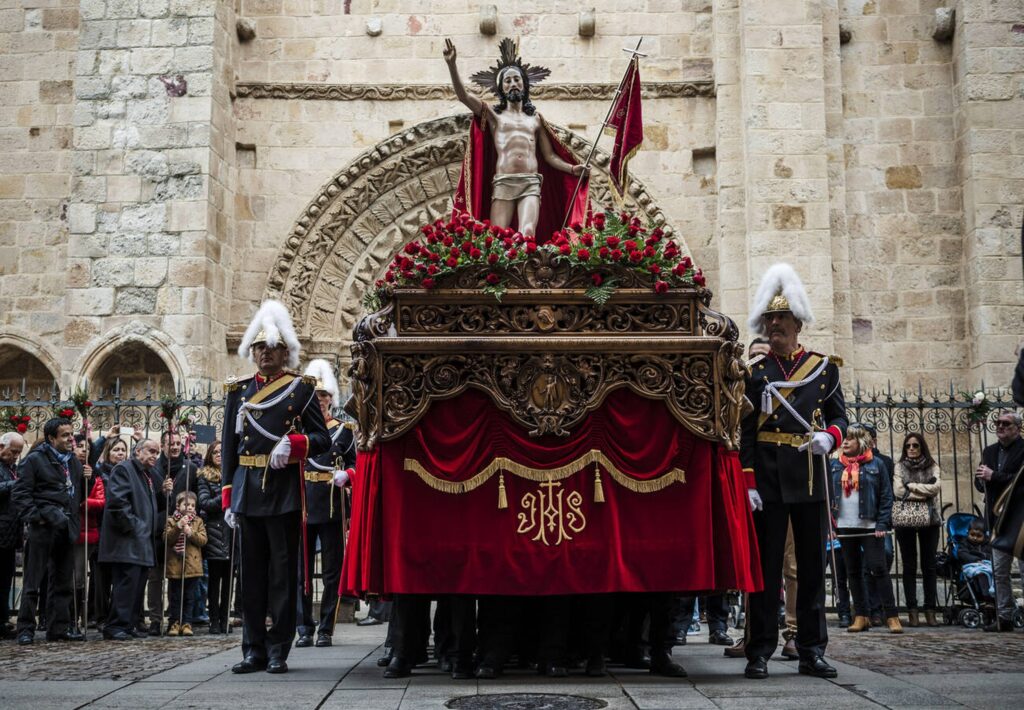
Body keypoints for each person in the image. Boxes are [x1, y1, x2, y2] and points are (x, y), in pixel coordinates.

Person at [740, 263, 846, 680]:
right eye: (770, 318)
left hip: (808, 474)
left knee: (811, 570)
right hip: (767, 478)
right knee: (765, 572)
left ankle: (811, 649)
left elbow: (840, 418)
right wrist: (748, 482)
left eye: (782, 318)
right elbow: (745, 433)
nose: (775, 324)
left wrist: (831, 439)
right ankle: (760, 648)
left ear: (798, 322)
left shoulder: (824, 369)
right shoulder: (756, 373)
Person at [223, 299, 330, 674]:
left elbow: (323, 439)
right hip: (248, 489)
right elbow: (229, 448)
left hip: (283, 490)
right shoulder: (237, 391)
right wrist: (227, 497)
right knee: (250, 575)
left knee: (282, 575)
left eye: (273, 347)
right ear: (251, 350)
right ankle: (252, 647)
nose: (265, 353)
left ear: (286, 351)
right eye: (259, 347)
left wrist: (296, 445)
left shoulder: (301, 390)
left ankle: (278, 648)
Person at [443, 37, 588, 240]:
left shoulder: (535, 120)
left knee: (527, 233)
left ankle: (526, 271)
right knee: (497, 237)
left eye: (516, 80)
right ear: (501, 88)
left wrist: (572, 169)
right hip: (503, 182)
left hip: (530, 182)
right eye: (507, 81)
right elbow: (463, 97)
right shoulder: (495, 117)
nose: (513, 84)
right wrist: (452, 65)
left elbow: (549, 156)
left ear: (524, 84)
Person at [296, 359, 356, 649]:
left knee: (332, 571)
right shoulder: (300, 432)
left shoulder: (343, 431)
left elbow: (357, 465)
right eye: (315, 397)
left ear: (331, 399)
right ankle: (303, 626)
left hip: (332, 503)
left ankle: (326, 628)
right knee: (302, 571)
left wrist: (348, 474)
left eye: (323, 396)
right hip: (305, 503)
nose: (319, 401)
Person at [13, 417, 86, 644]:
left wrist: (88, 480)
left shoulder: (73, 462)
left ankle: (58, 628)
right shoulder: (34, 460)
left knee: (63, 582)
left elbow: (77, 494)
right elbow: (21, 494)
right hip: (43, 527)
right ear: (52, 438)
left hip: (65, 527)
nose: (70, 439)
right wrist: (37, 517)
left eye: (71, 434)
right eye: (65, 435)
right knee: (33, 581)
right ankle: (25, 628)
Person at [829, 424, 901, 634]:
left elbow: (887, 497)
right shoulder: (835, 465)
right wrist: (830, 525)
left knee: (878, 569)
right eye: (844, 439)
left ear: (860, 442)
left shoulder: (876, 465)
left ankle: (892, 615)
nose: (845, 442)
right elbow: (828, 497)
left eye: (850, 439)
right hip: (844, 525)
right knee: (853, 572)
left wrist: (882, 523)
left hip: (870, 526)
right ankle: (861, 615)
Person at [100, 439, 161, 640]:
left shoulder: (147, 474)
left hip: (141, 542)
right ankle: (115, 625)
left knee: (136, 586)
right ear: (137, 451)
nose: (155, 455)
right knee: (125, 585)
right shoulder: (124, 470)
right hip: (127, 541)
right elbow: (118, 505)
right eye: (151, 451)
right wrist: (138, 528)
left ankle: (128, 624)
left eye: (157, 452)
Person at [975, 411, 1024, 632]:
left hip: (1020, 519)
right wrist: (981, 479)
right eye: (998, 423)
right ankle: (1003, 616)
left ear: (1017, 428)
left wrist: (993, 476)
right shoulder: (989, 451)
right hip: (997, 519)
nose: (1001, 427)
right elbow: (982, 482)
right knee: (999, 570)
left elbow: (1019, 481)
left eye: (1006, 423)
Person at [892, 433, 942, 627]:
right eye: (908, 446)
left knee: (929, 565)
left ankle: (930, 610)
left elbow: (936, 488)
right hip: (905, 520)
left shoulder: (932, 465)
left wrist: (911, 486)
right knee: (909, 565)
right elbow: (898, 491)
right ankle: (912, 610)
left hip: (930, 520)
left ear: (922, 447)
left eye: (916, 445)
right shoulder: (899, 466)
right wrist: (923, 489)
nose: (911, 449)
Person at [197, 440, 231, 634]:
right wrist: (225, 497)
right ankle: (214, 619)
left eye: (222, 452)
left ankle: (225, 618)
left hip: (230, 531)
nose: (219, 455)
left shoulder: (231, 475)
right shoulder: (205, 476)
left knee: (228, 581)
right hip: (214, 530)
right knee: (214, 580)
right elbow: (204, 503)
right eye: (215, 452)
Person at [164, 491, 207, 637]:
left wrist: (190, 532)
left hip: (192, 566)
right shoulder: (171, 520)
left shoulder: (198, 521)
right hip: (175, 565)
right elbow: (167, 539)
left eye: (192, 505)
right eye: (186, 504)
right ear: (178, 505)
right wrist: (178, 527)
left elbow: (203, 540)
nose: (189, 508)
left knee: (190, 597)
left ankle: (187, 622)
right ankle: (174, 622)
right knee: (175, 597)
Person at [0, 432, 25, 639]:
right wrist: (15, 484)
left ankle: (3, 621)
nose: (16, 455)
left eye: (18, 452)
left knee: (5, 581)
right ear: (2, 447)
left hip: (9, 534)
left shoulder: (12, 468)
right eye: (13, 451)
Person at [955, 519, 996, 601]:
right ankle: (987, 597)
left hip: (986, 565)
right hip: (971, 566)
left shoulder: (988, 545)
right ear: (968, 533)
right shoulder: (964, 543)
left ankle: (996, 596)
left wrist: (985, 559)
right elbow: (962, 554)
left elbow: (992, 556)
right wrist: (976, 559)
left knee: (996, 573)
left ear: (984, 536)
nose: (975, 538)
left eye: (979, 536)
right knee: (982, 574)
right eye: (972, 534)